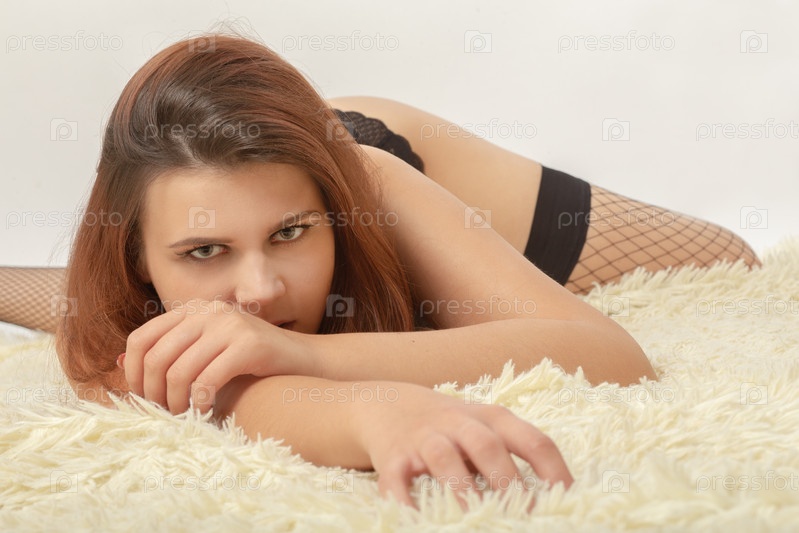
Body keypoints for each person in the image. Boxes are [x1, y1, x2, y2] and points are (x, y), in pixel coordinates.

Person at [0, 33, 759, 507]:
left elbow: (612, 353)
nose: (259, 291)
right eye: (204, 251)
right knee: (92, 313)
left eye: (291, 233)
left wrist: (302, 352)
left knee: (727, 255)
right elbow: (234, 395)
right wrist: (370, 409)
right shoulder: (119, 292)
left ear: (327, 210)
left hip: (408, 162)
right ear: (133, 255)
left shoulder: (372, 184)